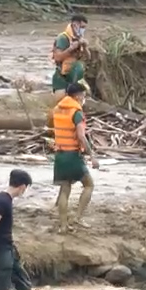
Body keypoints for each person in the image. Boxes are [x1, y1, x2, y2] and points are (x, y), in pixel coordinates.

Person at [50, 81, 98, 231]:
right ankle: (77, 217)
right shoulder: (76, 113)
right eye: (83, 95)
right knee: (89, 185)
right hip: (72, 155)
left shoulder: (57, 109)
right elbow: (81, 136)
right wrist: (92, 156)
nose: (84, 99)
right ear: (77, 96)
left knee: (65, 189)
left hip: (60, 154)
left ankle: (63, 225)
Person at [51, 14, 89, 94]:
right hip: (62, 76)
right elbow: (57, 57)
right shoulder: (63, 38)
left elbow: (88, 58)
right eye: (82, 27)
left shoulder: (79, 38)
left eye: (84, 28)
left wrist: (85, 47)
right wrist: (70, 49)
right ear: (75, 25)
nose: (83, 30)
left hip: (75, 75)